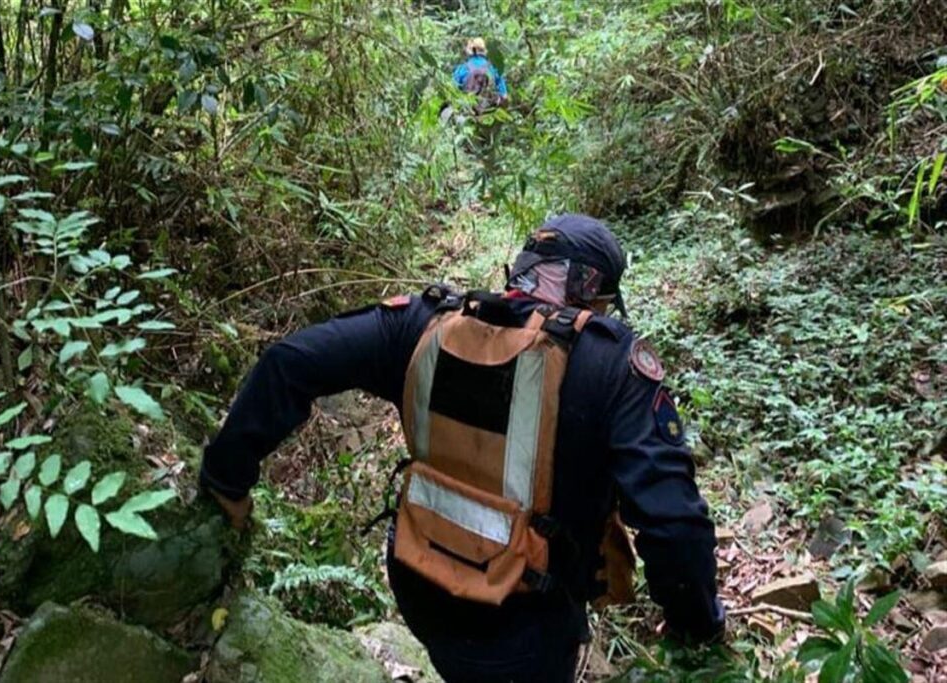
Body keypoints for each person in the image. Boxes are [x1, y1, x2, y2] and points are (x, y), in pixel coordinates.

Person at [200, 214, 725, 683]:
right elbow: (674, 524)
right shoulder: (612, 366)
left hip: (420, 588)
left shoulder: (422, 324)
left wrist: (228, 478)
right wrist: (697, 627)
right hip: (524, 626)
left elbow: (289, 363)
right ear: (590, 290)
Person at [452, 37, 507, 112]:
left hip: (468, 110)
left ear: (471, 51)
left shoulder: (462, 68)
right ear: (485, 51)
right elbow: (504, 95)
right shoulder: (494, 69)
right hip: (489, 110)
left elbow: (452, 91)